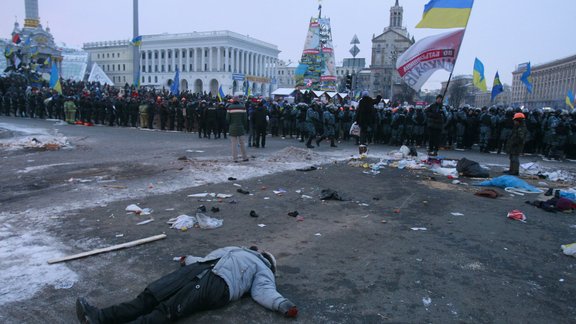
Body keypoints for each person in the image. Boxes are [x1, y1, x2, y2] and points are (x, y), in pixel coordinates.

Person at [76, 246, 297, 323]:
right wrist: (188, 259)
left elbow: (264, 291)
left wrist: (282, 304)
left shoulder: (263, 269)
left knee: (168, 309)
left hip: (218, 286)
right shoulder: (237, 250)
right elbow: (207, 258)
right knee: (151, 295)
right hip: (199, 270)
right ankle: (99, 317)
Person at [226, 98, 249, 162]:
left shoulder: (229, 107)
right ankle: (245, 157)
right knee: (242, 143)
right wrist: (244, 125)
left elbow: (227, 119)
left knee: (234, 144)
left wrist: (230, 124)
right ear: (238, 101)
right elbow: (245, 118)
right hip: (241, 127)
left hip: (232, 127)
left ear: (233, 101)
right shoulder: (243, 107)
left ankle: (235, 158)